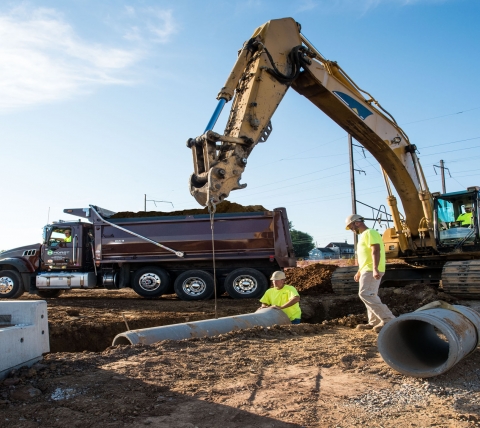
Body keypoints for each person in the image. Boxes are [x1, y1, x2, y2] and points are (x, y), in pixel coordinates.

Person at [345, 214, 395, 333]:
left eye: (351, 227)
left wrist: (375, 269)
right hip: (366, 269)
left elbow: (375, 250)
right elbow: (365, 257)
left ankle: (388, 319)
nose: (351, 230)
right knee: (370, 294)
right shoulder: (363, 236)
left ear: (357, 223)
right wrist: (359, 271)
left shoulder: (370, 233)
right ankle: (374, 322)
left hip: (371, 269)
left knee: (366, 294)